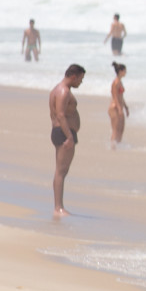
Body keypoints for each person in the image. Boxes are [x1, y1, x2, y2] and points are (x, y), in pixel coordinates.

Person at [49, 64, 87, 219]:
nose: (81, 83)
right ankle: (58, 207)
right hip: (64, 133)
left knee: (61, 171)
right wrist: (70, 137)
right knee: (61, 172)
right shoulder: (63, 92)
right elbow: (60, 115)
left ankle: (58, 207)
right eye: (80, 79)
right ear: (73, 76)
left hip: (62, 132)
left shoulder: (58, 90)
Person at [107, 62, 128, 146]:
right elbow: (115, 97)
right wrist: (119, 109)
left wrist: (126, 107)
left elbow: (121, 97)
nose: (126, 72)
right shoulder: (115, 82)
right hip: (114, 108)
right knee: (115, 129)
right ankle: (113, 146)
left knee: (121, 128)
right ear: (120, 71)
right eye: (125, 71)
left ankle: (118, 144)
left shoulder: (120, 82)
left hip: (120, 107)